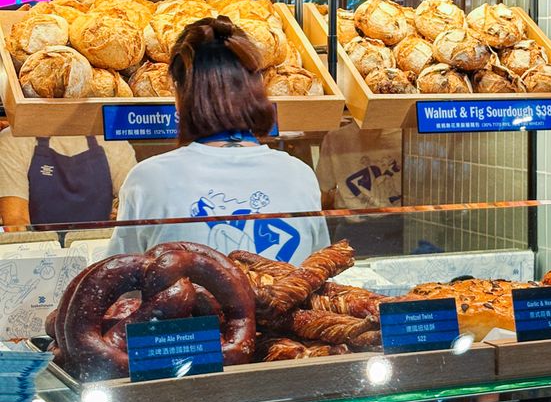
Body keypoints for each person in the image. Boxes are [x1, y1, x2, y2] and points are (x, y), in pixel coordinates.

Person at [109, 15, 329, 259]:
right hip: (285, 298)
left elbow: (121, 280)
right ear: (257, 89)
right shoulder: (300, 175)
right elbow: (317, 273)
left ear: (181, 96)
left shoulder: (147, 180)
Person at [0, 130, 135, 227]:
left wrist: (120, 212)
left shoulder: (112, 140)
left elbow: (137, 205)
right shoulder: (14, 139)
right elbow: (16, 222)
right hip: (39, 255)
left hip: (100, 254)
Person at [317, 121, 403, 256]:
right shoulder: (405, 134)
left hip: (385, 228)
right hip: (387, 227)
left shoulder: (335, 137)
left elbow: (323, 191)